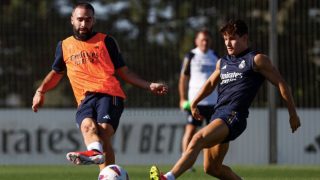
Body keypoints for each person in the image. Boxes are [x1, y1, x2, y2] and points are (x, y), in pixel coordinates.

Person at [150, 19, 301, 180]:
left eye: (233, 38)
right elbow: (209, 83)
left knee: (197, 138)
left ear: (245, 38)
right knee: (212, 168)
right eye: (225, 39)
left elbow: (282, 84)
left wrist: (293, 114)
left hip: (234, 116)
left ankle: (167, 178)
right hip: (219, 115)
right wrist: (194, 102)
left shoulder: (256, 60)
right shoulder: (222, 62)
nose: (228, 43)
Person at [31, 2, 168, 171]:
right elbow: (56, 74)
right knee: (89, 128)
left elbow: (124, 72)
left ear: (93, 21)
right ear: (72, 20)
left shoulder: (106, 41)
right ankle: (104, 167)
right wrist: (40, 91)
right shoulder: (64, 46)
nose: (83, 24)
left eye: (88, 20)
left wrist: (149, 85)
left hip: (109, 94)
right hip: (84, 99)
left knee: (102, 132)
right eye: (80, 19)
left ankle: (96, 156)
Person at [178, 28, 219, 171]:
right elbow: (183, 78)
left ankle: (210, 162)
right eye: (202, 39)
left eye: (207, 40)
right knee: (190, 131)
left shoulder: (215, 56)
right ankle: (186, 161)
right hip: (195, 102)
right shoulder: (190, 56)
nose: (205, 42)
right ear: (196, 41)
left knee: (212, 135)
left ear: (211, 41)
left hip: (213, 102)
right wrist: (182, 99)